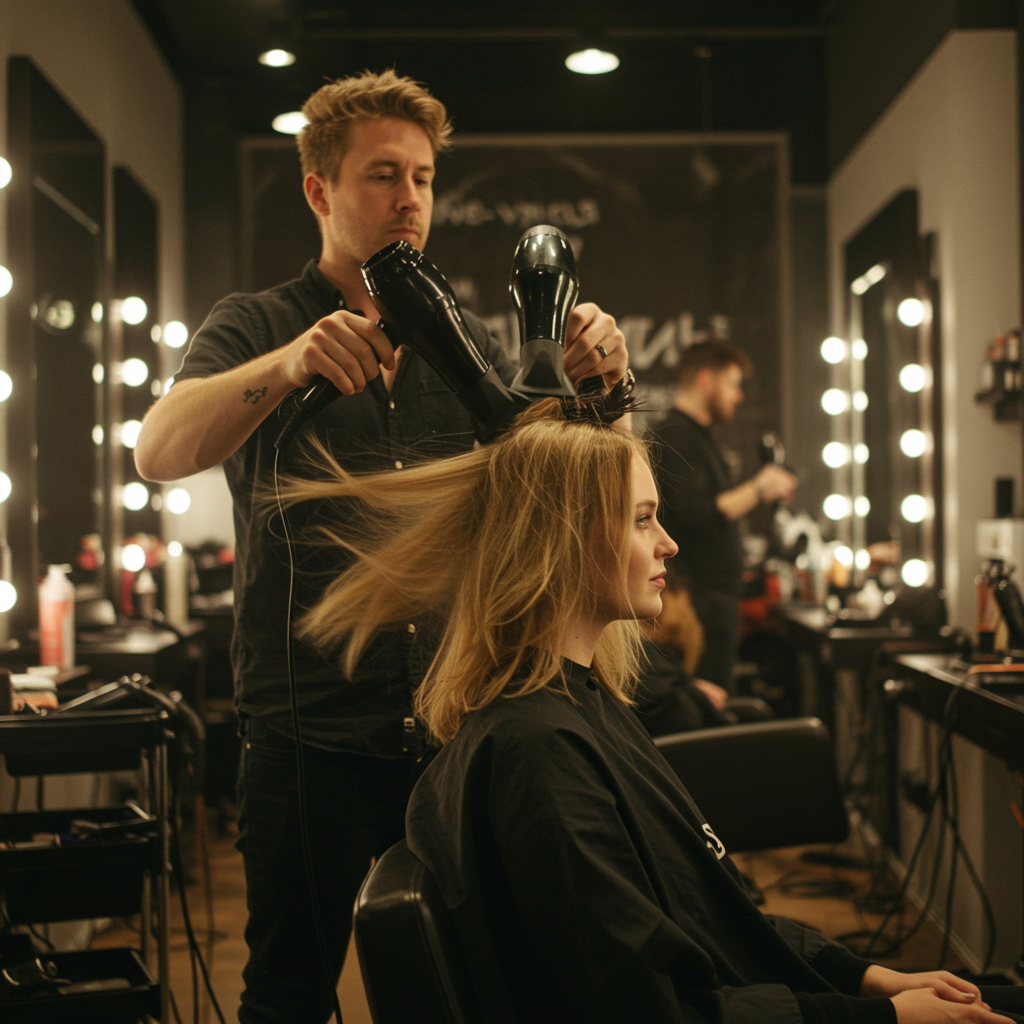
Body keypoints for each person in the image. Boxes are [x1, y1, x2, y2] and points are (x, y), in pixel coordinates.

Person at [133, 70, 627, 1024]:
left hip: (454, 727)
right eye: (383, 175)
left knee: (467, 989)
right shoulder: (255, 325)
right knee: (288, 994)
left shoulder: (469, 342)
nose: (410, 198)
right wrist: (288, 365)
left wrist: (599, 387)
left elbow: (557, 494)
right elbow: (157, 451)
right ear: (319, 190)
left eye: (425, 178)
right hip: (305, 737)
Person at [285, 398, 1023, 1024]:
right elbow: (650, 1009)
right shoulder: (538, 752)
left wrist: (864, 977)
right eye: (642, 520)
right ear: (564, 539)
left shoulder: (582, 705)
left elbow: (708, 917)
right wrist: (884, 1018)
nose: (668, 544)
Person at [651, 339, 797, 690]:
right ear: (706, 380)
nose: (739, 396)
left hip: (713, 604)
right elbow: (697, 513)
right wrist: (759, 488)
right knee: (704, 704)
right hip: (696, 604)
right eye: (733, 384)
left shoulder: (700, 437)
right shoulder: (676, 436)